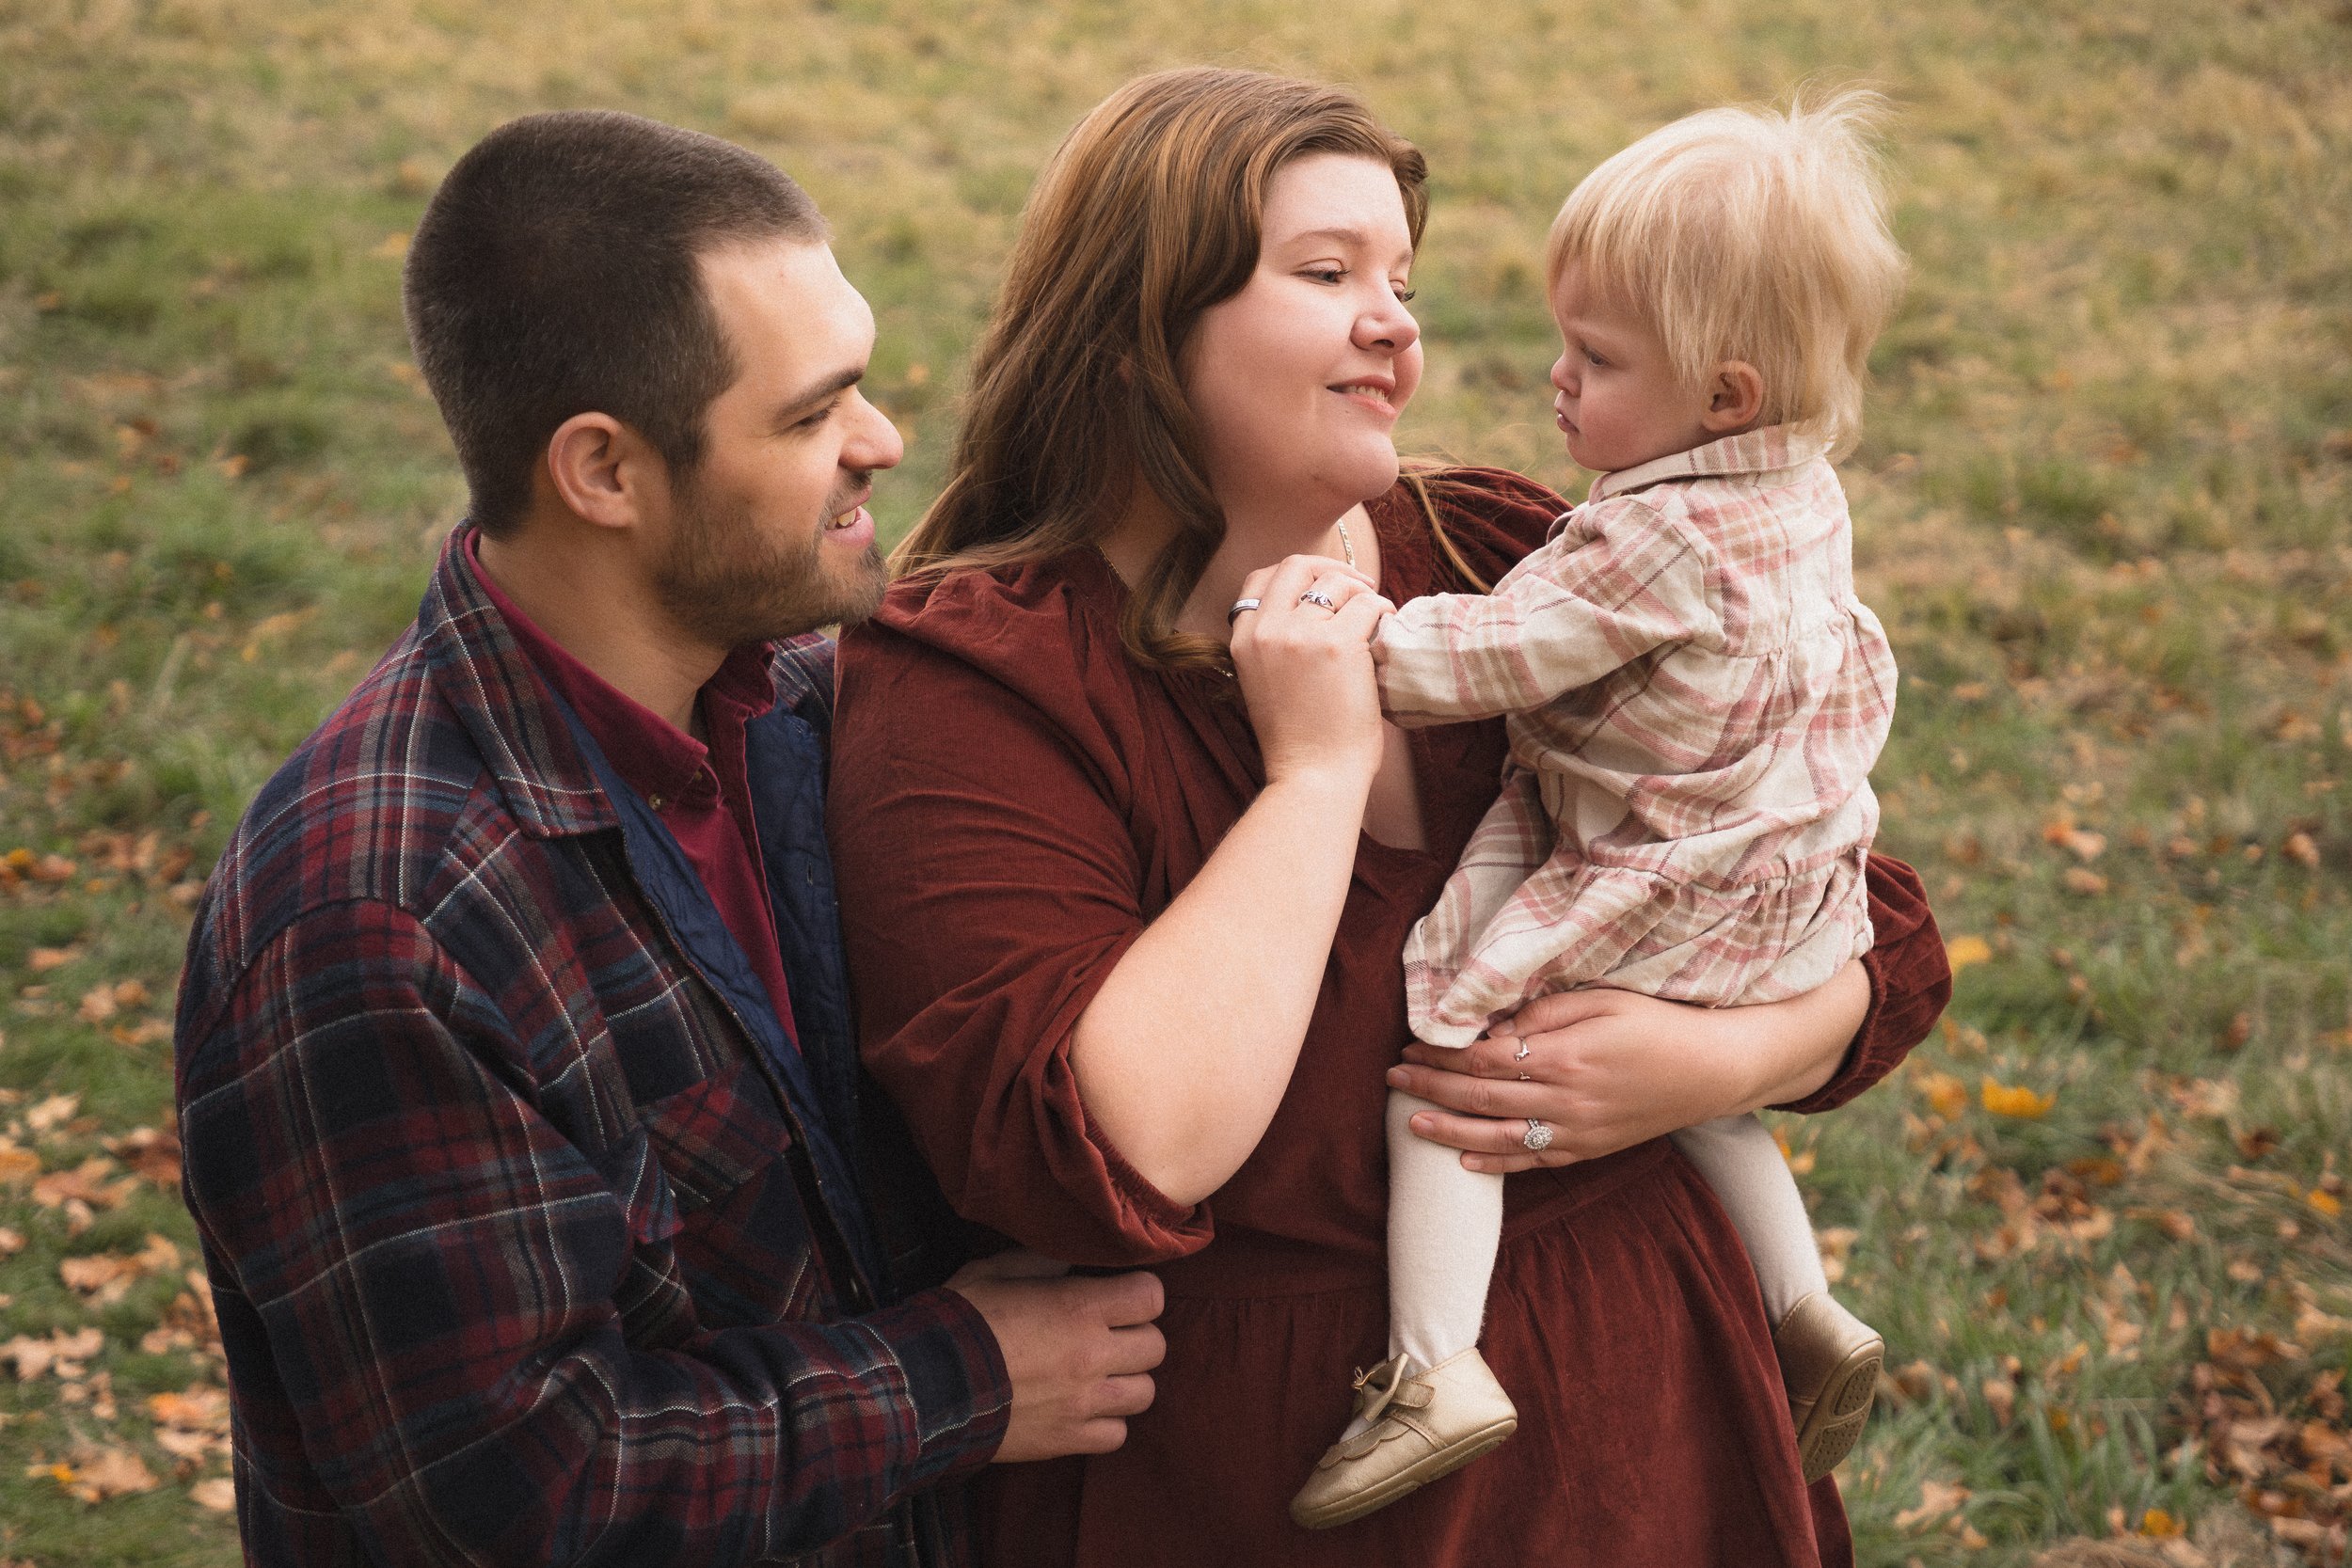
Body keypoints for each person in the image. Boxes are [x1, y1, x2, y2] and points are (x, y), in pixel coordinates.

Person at [829, 67, 1950, 1568]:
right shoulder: (982, 678)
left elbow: (1850, 907)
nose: (1396, 321)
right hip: (1262, 1486)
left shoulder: (1502, 554)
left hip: (1662, 1429)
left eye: (1403, 278)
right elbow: (1107, 1147)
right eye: (1327, 272)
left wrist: (1707, 1060)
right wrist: (1310, 775)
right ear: (1140, 323)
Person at [172, 110, 1166, 1568]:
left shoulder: (812, 718)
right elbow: (518, 1488)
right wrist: (969, 1377)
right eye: (812, 414)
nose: (883, 444)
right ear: (606, 473)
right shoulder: (378, 918)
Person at [1295, 89, 1909, 1528]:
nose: (1557, 382)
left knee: (1456, 1059)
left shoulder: (1656, 535)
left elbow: (1486, 658)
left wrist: (1340, 638)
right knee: (1706, 1104)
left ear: (1724, 397)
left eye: (1598, 358)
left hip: (1648, 858)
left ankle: (1436, 1364)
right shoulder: (1794, 488)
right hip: (1781, 883)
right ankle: (1809, 1309)